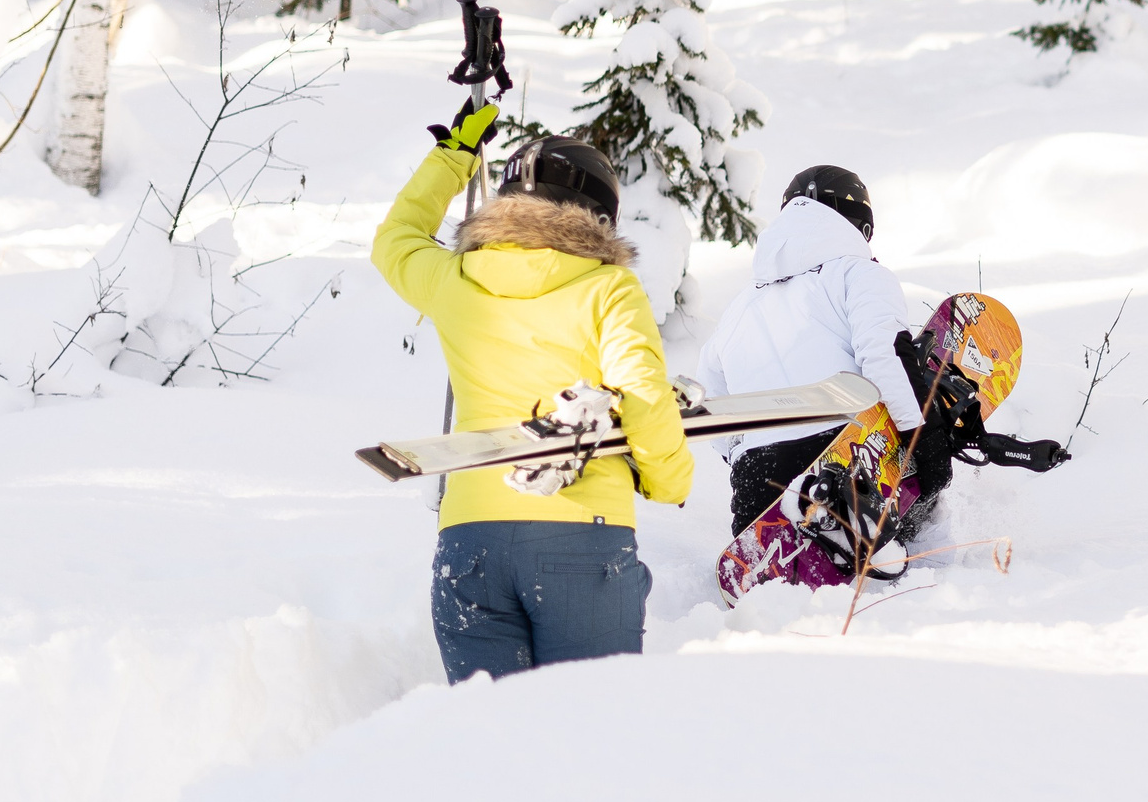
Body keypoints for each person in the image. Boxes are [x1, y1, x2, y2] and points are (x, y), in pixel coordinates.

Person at [373, 103, 693, 682]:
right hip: (581, 536)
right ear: (599, 212)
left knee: (496, 747)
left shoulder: (455, 278)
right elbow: (642, 395)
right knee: (588, 733)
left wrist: (452, 157)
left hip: (468, 543)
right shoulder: (607, 286)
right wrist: (668, 480)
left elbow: (393, 240)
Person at [698, 166, 946, 539]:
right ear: (860, 226)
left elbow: (710, 402)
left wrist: (742, 458)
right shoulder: (859, 274)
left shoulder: (739, 308)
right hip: (837, 453)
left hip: (754, 472)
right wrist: (926, 440)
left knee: (770, 592)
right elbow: (884, 356)